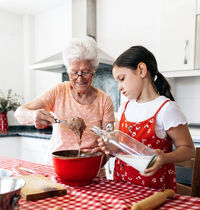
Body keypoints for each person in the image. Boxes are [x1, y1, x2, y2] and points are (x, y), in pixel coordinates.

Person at [98, 45, 195, 191]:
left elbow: (188, 150)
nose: (119, 87)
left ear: (141, 70)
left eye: (122, 79)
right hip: (121, 188)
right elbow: (119, 145)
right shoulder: (125, 107)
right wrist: (110, 148)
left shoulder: (165, 108)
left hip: (154, 193)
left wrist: (165, 158)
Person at [15, 36, 115, 173]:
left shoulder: (105, 101)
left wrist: (104, 153)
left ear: (94, 69)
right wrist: (33, 115)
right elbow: (19, 113)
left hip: (92, 171)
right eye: (74, 72)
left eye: (85, 72)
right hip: (57, 168)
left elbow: (109, 142)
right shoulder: (58, 91)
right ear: (68, 71)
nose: (79, 78)